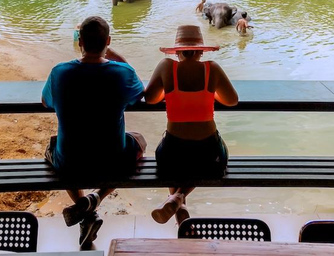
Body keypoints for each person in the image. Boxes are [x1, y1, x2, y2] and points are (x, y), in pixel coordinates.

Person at [41, 16, 147, 249]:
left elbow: (45, 102)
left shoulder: (60, 72)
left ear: (79, 42)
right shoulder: (121, 72)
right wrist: (117, 58)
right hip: (112, 162)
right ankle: (95, 198)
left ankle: (86, 210)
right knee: (139, 140)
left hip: (71, 164)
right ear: (108, 41)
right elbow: (139, 92)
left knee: (57, 147)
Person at [144, 25, 238, 224]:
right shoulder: (211, 69)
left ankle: (177, 202)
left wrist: (169, 92)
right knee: (215, 159)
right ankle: (179, 199)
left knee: (174, 162)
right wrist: (210, 93)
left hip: (172, 154)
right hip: (209, 155)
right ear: (200, 51)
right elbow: (232, 100)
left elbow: (150, 98)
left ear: (177, 51)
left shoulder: (166, 67)